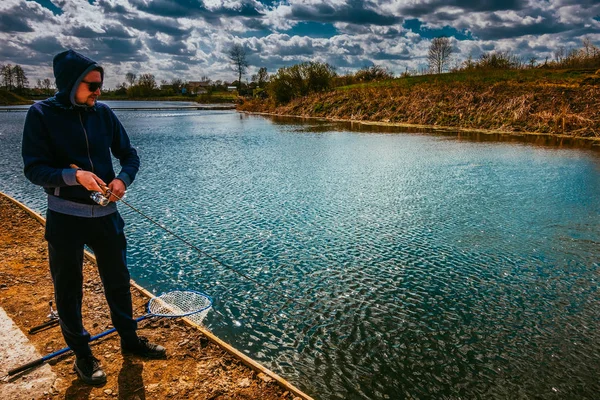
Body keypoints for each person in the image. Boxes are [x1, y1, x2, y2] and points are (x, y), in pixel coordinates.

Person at [22, 49, 166, 385]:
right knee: (69, 289)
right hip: (65, 219)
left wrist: (121, 180)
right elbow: (34, 169)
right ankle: (83, 357)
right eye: (92, 85)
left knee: (118, 281)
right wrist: (75, 177)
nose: (98, 92)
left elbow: (130, 156)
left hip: (107, 217)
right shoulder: (41, 114)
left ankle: (130, 341)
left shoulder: (103, 114)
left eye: (100, 85)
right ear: (70, 83)